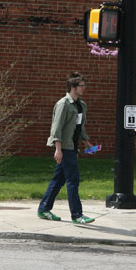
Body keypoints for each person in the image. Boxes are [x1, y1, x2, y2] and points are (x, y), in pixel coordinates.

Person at [37, 71, 95, 225]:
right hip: (64, 147)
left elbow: (78, 127)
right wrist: (58, 149)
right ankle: (77, 215)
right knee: (73, 180)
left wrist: (86, 142)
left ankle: (43, 209)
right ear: (73, 87)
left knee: (58, 179)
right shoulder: (63, 104)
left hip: (72, 146)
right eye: (81, 86)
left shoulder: (81, 105)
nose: (84, 88)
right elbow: (56, 128)